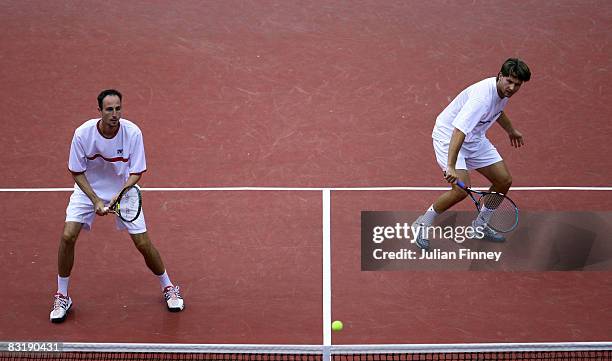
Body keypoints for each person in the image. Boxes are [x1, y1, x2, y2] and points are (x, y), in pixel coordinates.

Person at [50, 89, 184, 323]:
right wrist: (95, 200)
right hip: (88, 189)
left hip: (123, 188)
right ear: (99, 111)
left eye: (118, 108)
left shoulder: (132, 132)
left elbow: (137, 172)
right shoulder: (83, 134)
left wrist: (117, 197)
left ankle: (169, 287)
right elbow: (76, 171)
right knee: (68, 235)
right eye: (109, 109)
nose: (115, 114)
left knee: (142, 242)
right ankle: (62, 295)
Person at [413, 58, 531, 251]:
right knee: (461, 190)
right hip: (449, 136)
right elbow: (459, 131)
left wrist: (511, 130)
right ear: (500, 76)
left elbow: (498, 111)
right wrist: (450, 166)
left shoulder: (502, 91)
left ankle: (480, 226)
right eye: (509, 81)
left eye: (517, 84)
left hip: (474, 136)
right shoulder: (481, 99)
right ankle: (422, 223)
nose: (512, 88)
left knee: (503, 180)